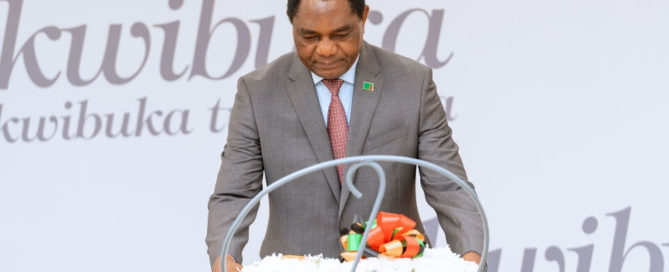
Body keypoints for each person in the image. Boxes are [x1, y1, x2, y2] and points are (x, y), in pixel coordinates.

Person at [206, 0, 484, 271]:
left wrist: (472, 258)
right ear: (292, 24)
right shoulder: (257, 92)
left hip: (397, 264)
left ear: (363, 17)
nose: (326, 50)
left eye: (340, 34)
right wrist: (224, 259)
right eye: (309, 36)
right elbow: (234, 194)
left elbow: (450, 187)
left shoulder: (413, 83)